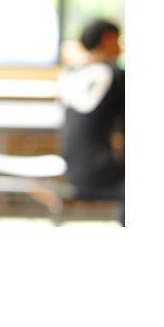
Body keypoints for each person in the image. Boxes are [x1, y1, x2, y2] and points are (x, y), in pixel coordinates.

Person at [59, 18, 125, 224]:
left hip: (71, 170)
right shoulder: (116, 76)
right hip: (102, 173)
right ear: (108, 39)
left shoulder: (69, 73)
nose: (121, 48)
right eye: (118, 41)